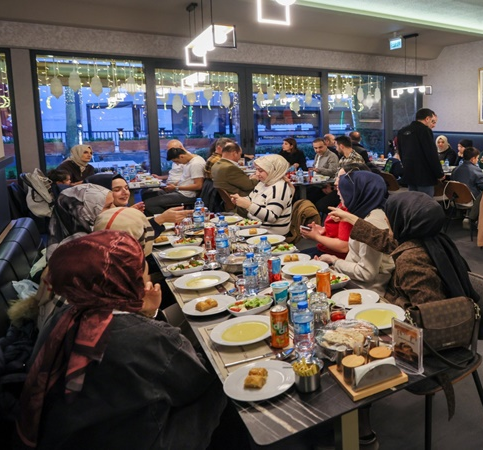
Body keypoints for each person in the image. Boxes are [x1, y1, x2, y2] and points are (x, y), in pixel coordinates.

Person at [16, 231, 225, 449]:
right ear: (125, 278)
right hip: (137, 437)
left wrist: (146, 314)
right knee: (222, 380)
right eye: (140, 266)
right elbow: (197, 378)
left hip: (68, 436)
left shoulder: (63, 316)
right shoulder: (143, 337)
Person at [327, 191, 479, 308]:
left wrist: (388, 299)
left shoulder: (412, 260)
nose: (386, 220)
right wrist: (350, 218)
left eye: (391, 216)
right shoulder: (431, 238)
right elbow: (385, 240)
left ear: (404, 221)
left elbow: (427, 311)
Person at [315, 171, 394, 294]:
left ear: (358, 193)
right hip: (354, 282)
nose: (338, 192)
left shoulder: (371, 223)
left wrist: (334, 260)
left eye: (344, 190)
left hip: (363, 291)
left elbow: (367, 274)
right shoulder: (368, 213)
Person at [230, 154, 294, 235]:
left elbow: (272, 217)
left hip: (270, 233)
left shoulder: (279, 188)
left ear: (273, 171)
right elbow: (251, 199)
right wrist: (240, 200)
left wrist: (248, 205)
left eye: (260, 171)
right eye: (256, 170)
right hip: (257, 227)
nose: (256, 174)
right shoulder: (263, 183)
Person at [300, 167, 354, 259]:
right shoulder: (344, 201)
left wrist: (316, 236)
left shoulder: (349, 207)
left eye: (340, 178)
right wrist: (323, 230)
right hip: (327, 249)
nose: (336, 182)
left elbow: (344, 246)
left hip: (334, 256)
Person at [396, 108, 443, 197]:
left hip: (409, 173)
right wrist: (439, 173)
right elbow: (431, 154)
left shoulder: (402, 131)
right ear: (427, 119)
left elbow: (401, 153)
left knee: (413, 203)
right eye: (432, 121)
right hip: (425, 176)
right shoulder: (425, 130)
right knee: (425, 205)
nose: (433, 125)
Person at [144, 147, 206, 213]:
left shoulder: (195, 164)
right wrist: (173, 185)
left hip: (187, 195)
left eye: (177, 161)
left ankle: (166, 219)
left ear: (181, 156)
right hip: (181, 191)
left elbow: (198, 186)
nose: (177, 164)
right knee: (148, 195)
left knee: (148, 204)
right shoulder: (189, 161)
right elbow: (184, 179)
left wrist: (176, 188)